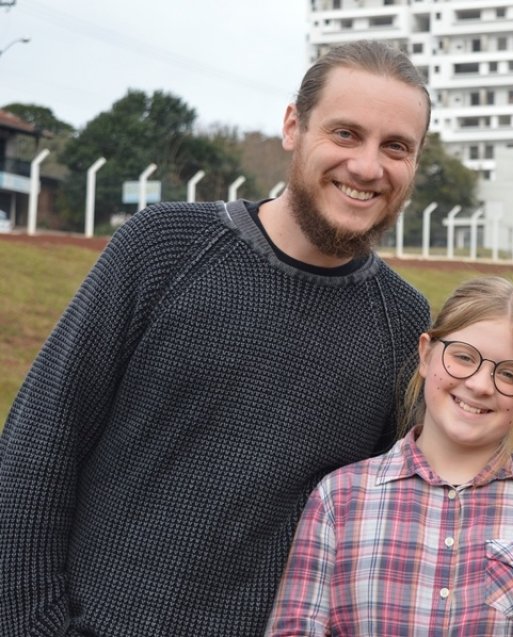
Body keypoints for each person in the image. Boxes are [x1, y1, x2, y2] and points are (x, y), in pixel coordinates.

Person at [0, 40, 432, 636]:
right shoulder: (163, 248)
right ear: (292, 126)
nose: (366, 166)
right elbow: (38, 448)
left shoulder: (406, 324)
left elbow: (390, 527)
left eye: (395, 147)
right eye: (345, 134)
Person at [265, 276, 513, 636]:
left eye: (509, 374)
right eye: (463, 357)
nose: (480, 385)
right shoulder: (340, 498)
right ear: (426, 354)